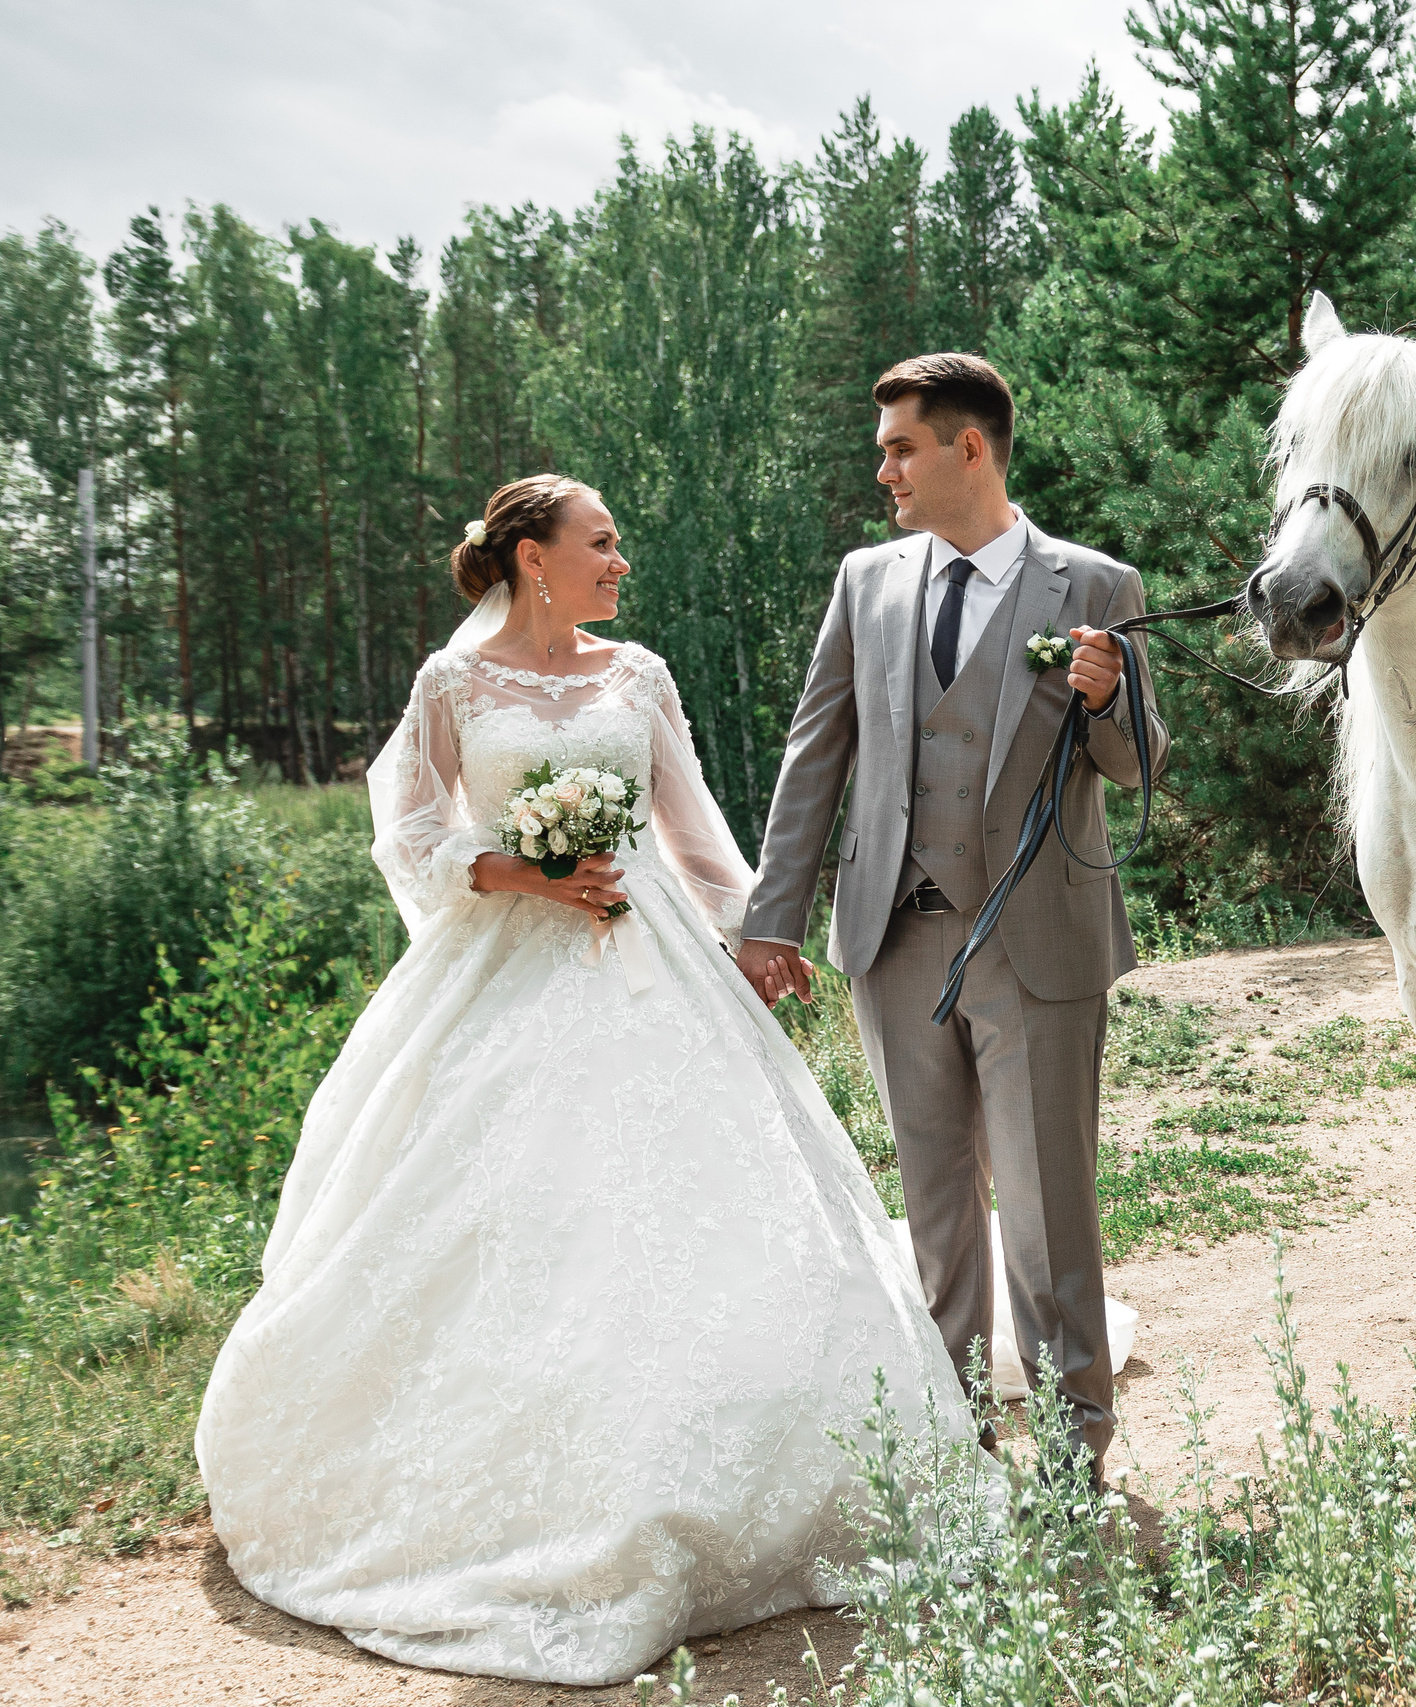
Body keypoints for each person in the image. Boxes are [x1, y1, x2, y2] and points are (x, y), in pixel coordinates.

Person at [193, 475, 984, 1686]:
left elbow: (691, 822)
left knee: (697, 1201)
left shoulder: (640, 675)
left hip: (650, 952)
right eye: (601, 543)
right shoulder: (453, 685)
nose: (620, 561)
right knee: (510, 1203)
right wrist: (520, 872)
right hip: (508, 961)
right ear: (531, 558)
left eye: (617, 544)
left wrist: (754, 932)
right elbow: (405, 827)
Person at [737, 353, 1168, 1486]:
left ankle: (1075, 1457)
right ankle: (962, 1443)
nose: (883, 469)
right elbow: (815, 748)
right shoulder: (865, 581)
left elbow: (1141, 764)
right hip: (892, 936)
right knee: (935, 1211)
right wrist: (769, 916)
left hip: (1038, 946)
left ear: (966, 447)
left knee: (1045, 1207)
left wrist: (1111, 696)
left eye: (899, 447)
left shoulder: (1095, 584)